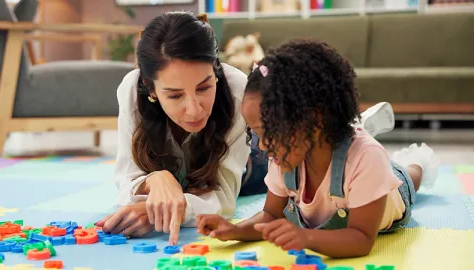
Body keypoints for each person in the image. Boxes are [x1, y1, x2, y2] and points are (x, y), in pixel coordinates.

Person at [96, 11, 395, 245]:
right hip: (201, 176)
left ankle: (351, 130)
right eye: (174, 95)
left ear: (216, 71)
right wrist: (158, 180)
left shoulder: (242, 95)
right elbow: (126, 184)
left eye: (204, 87)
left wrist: (159, 210)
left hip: (249, 162)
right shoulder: (130, 91)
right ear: (150, 88)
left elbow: (224, 200)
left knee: (293, 153)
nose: (195, 109)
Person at [195, 39, 439, 258]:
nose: (263, 145)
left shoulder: (367, 160)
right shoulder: (284, 157)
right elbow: (271, 215)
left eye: (268, 132)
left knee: (408, 176)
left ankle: (416, 159)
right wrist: (236, 230)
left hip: (383, 193)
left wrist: (307, 238)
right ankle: (357, 127)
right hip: (341, 159)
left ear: (315, 120)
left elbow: (361, 239)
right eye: (256, 134)